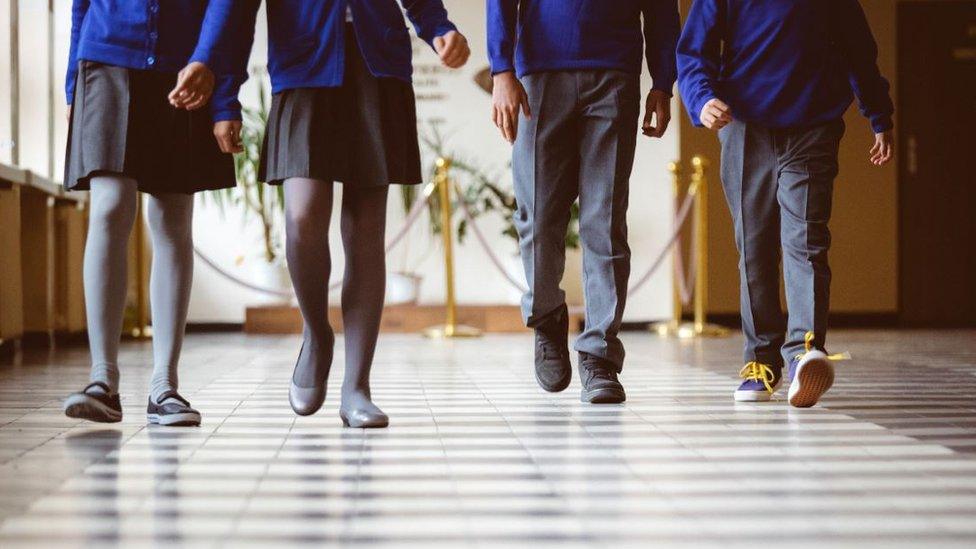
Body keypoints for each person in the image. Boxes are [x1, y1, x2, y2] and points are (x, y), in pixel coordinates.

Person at [228, 0, 470, 427]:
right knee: (302, 217)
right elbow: (233, 11)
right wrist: (223, 95)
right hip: (304, 62)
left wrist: (438, 28)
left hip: (378, 64)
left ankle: (357, 386)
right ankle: (317, 333)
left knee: (365, 232)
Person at [677, 0, 895, 407]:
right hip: (744, 127)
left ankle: (803, 353)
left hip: (812, 126)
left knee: (807, 240)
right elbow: (693, 51)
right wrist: (700, 98)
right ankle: (761, 362)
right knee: (754, 248)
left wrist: (878, 115)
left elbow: (858, 48)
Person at [487, 0, 680, 403]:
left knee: (604, 219)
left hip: (614, 75)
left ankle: (599, 355)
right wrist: (501, 69)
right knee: (537, 217)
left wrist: (663, 81)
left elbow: (662, 8)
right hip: (538, 75)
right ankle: (547, 317)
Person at [62, 0, 245, 426]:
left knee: (172, 218)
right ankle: (102, 381)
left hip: (188, 66)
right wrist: (74, 85)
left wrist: (224, 98)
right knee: (109, 206)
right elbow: (80, 5)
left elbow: (230, 8)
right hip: (104, 59)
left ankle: (165, 385)